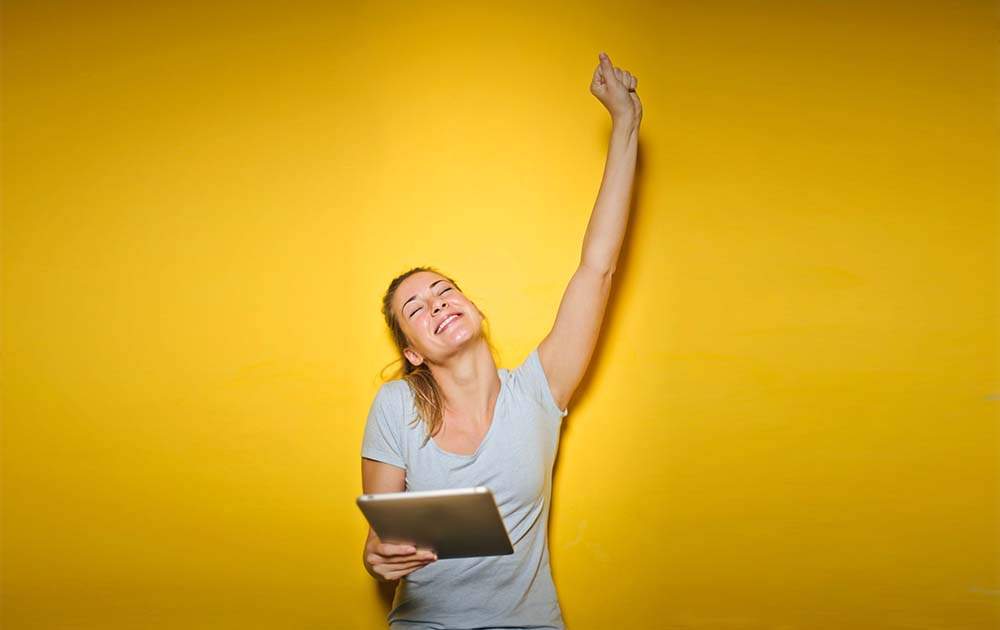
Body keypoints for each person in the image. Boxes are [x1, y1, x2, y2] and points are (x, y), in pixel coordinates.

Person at [360, 51, 642, 629]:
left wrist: (625, 124)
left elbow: (598, 267)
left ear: (471, 307)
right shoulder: (395, 408)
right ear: (412, 351)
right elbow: (379, 546)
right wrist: (374, 559)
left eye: (444, 290)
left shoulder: (539, 392)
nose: (436, 302)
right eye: (416, 307)